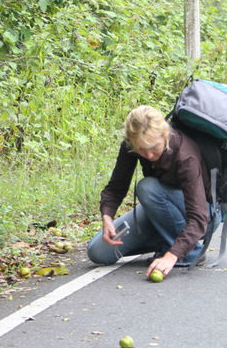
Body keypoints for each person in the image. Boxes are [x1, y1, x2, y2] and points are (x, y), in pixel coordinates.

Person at [86, 105, 218, 278]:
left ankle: (189, 252)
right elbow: (116, 188)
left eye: (154, 147)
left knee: (147, 187)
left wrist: (171, 256)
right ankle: (169, 241)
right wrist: (107, 217)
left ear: (165, 135)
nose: (148, 155)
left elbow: (199, 217)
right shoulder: (131, 145)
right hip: (161, 210)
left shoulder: (186, 156)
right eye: (141, 149)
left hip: (203, 216)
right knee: (98, 252)